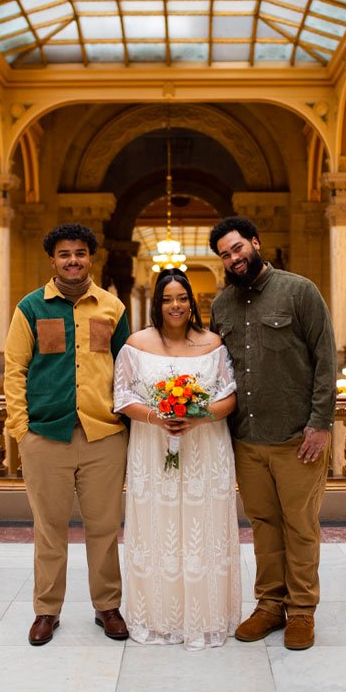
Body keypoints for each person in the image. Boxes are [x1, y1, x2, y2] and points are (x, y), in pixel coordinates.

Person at [209, 216, 336, 650]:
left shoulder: (299, 291)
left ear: (255, 244)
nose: (233, 258)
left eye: (237, 248)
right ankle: (269, 604)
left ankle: (302, 611)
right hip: (247, 438)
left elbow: (325, 359)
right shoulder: (222, 305)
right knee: (263, 525)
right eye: (225, 254)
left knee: (299, 525)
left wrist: (320, 424)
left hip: (297, 437)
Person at [4, 223, 131, 646]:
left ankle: (107, 606)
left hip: (104, 436)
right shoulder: (30, 308)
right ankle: (46, 610)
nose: (72, 260)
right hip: (45, 436)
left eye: (80, 253)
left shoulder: (112, 307)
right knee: (49, 529)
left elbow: (128, 371)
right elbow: (15, 371)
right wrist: (21, 430)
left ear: (91, 257)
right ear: (53, 260)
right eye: (64, 254)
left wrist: (126, 424)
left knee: (104, 527)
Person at [113, 269, 240, 650]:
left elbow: (230, 397)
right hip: (153, 449)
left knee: (204, 526)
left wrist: (197, 416)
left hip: (206, 447)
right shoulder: (135, 344)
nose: (176, 305)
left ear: (192, 301)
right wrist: (157, 416)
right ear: (157, 302)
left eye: (182, 298)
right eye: (167, 299)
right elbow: (122, 398)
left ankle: (206, 615)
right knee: (159, 526)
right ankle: (159, 616)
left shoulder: (212, 343)